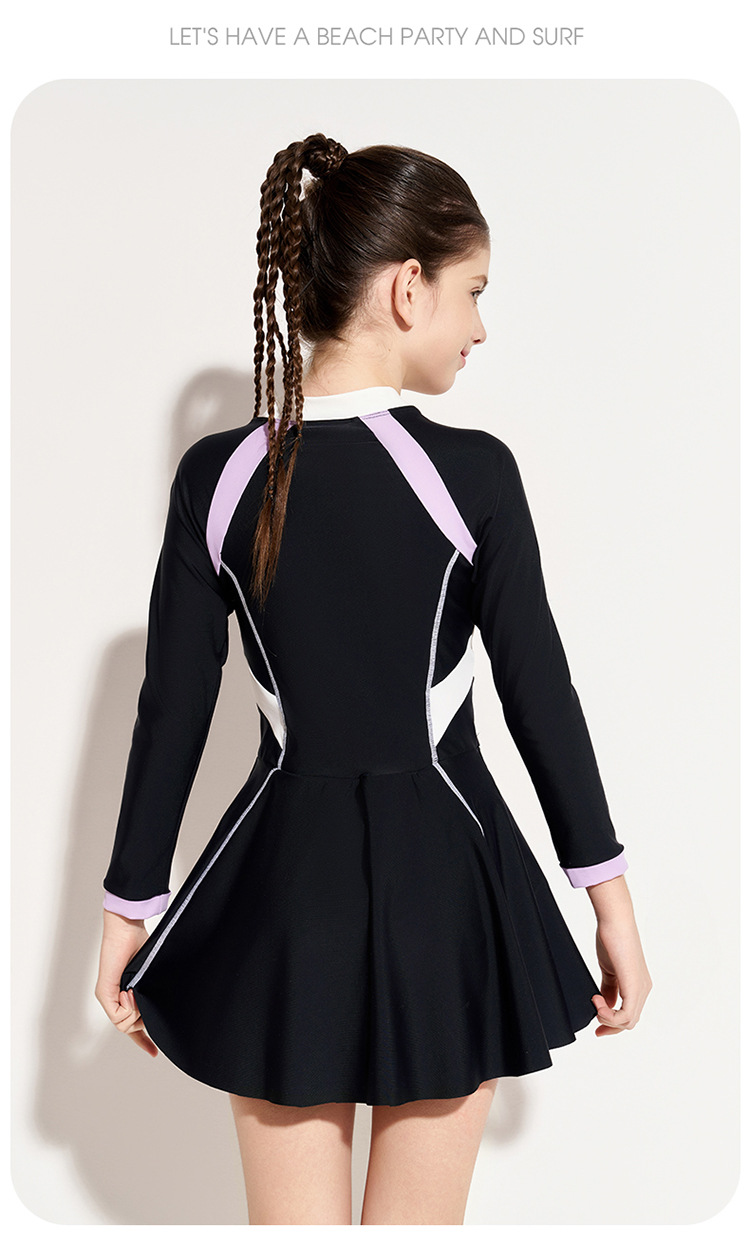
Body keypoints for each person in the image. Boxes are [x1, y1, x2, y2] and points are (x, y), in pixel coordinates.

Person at [95, 133, 652, 1225]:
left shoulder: (220, 477)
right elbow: (541, 693)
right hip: (447, 894)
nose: (481, 326)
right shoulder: (473, 473)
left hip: (279, 902)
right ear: (407, 288)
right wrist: (611, 902)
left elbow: (173, 709)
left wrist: (131, 907)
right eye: (473, 292)